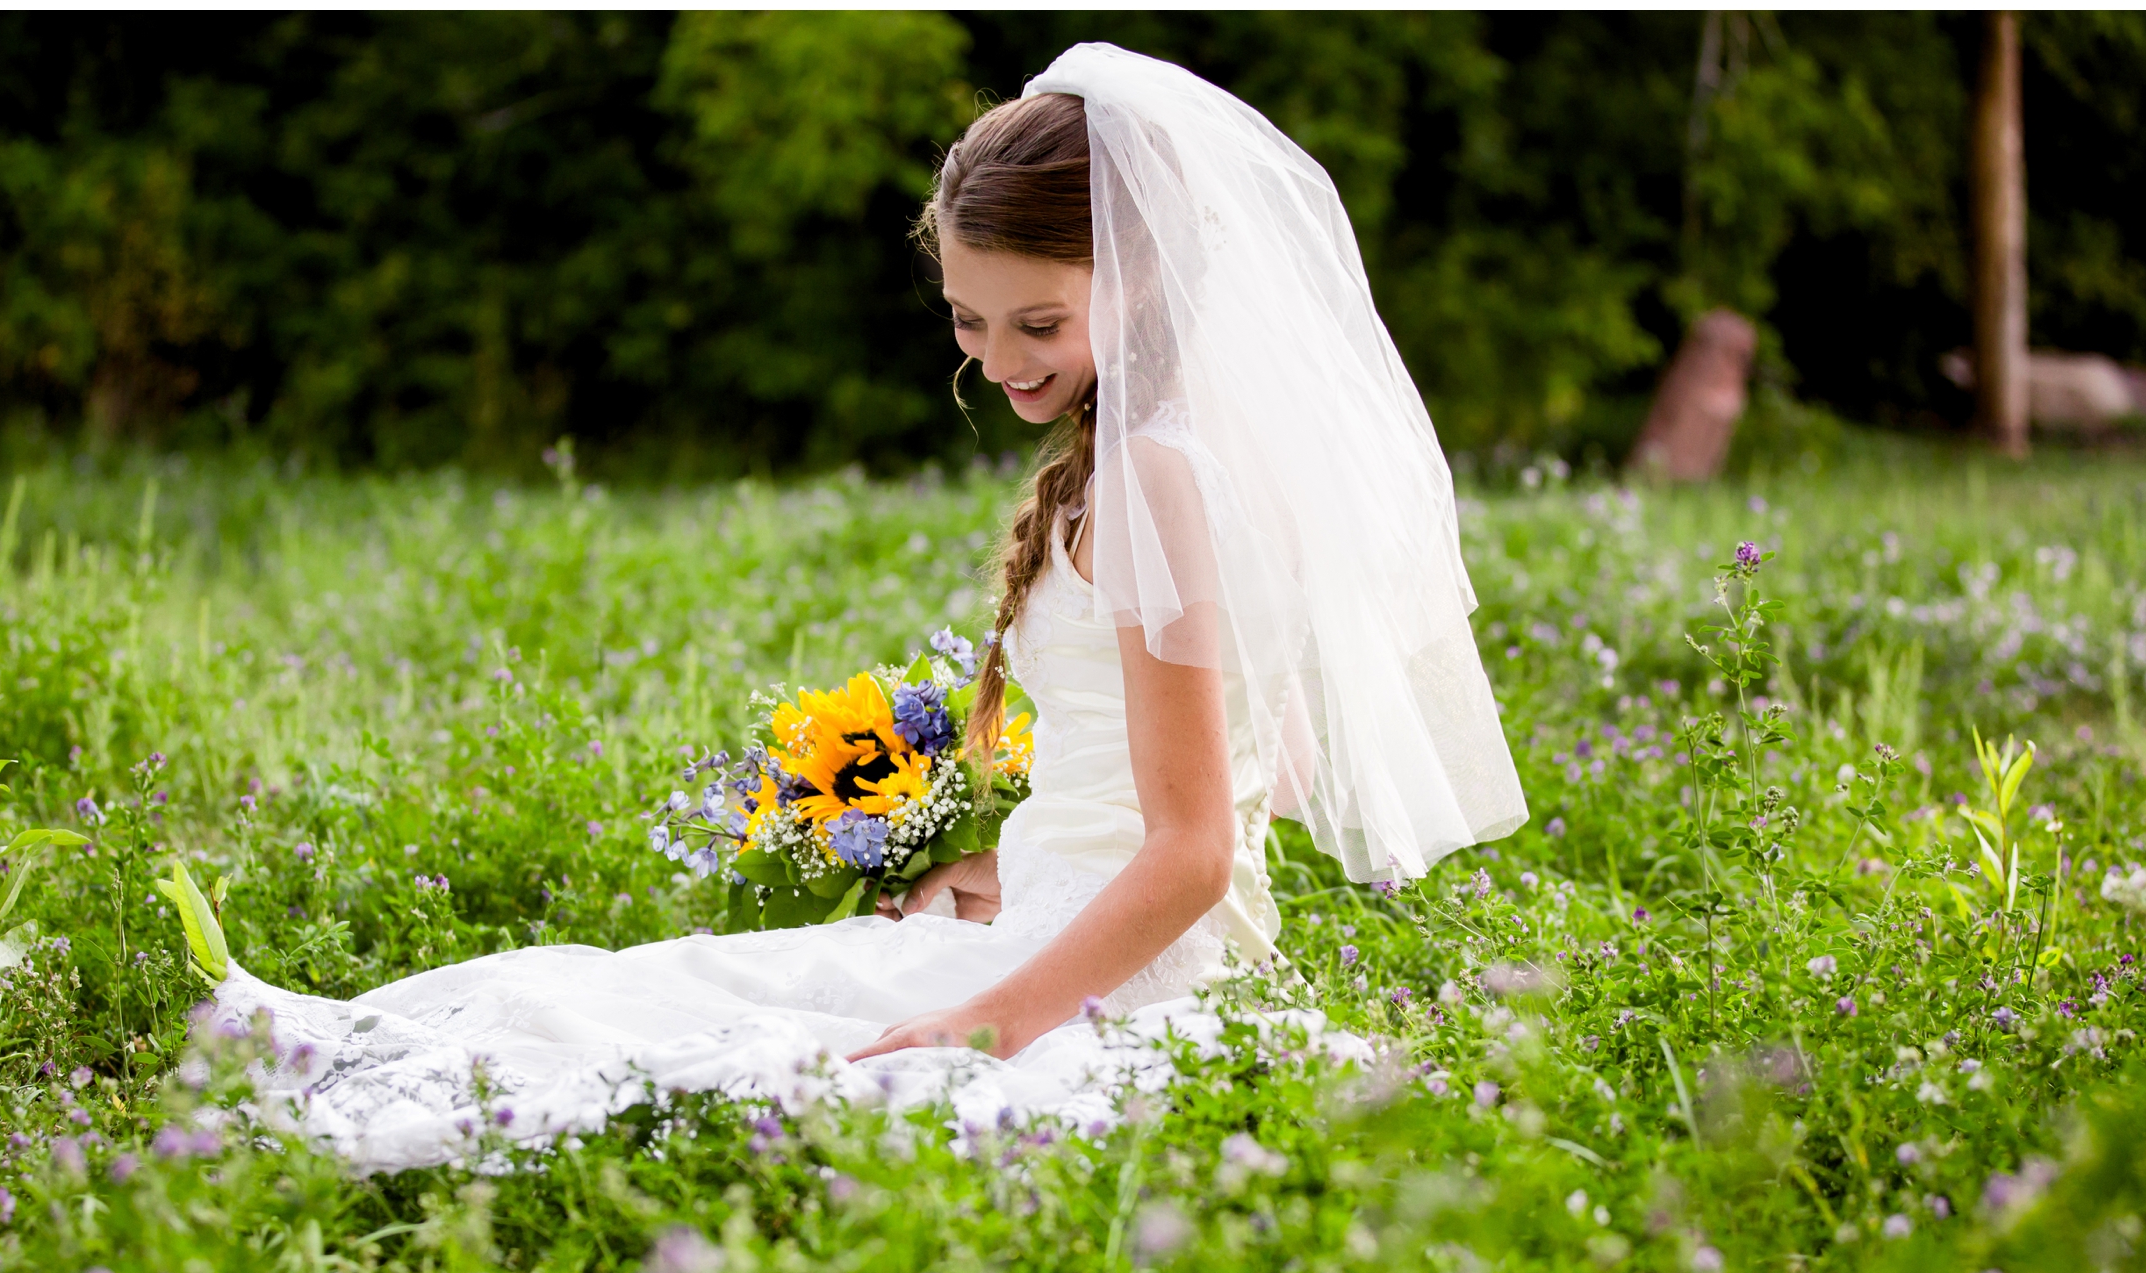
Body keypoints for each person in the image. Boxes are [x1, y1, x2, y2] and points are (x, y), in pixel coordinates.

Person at [200, 43, 1524, 1172]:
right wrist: (1000, 868)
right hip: (1054, 928)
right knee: (681, 993)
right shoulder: (1172, 456)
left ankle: (312, 1076)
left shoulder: (1164, 478)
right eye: (968, 318)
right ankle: (317, 1052)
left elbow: (1195, 850)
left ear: (1143, 279)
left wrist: (987, 1021)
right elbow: (1256, 769)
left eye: (1037, 324)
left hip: (1111, 983)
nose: (999, 361)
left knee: (746, 1052)